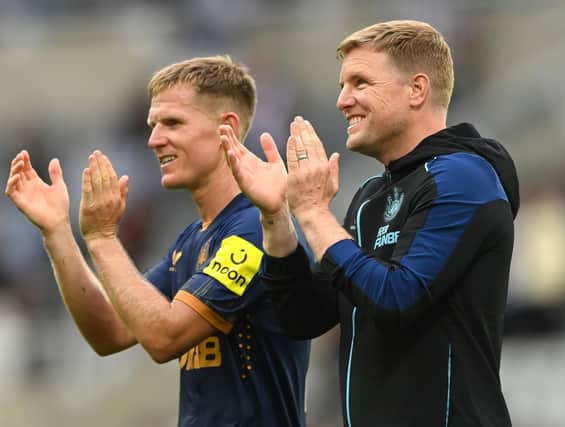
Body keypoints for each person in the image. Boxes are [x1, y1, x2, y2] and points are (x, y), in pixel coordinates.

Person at [220, 20, 519, 427]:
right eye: (343, 85)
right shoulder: (370, 198)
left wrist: (312, 211)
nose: (343, 100)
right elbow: (303, 317)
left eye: (360, 83)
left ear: (416, 90)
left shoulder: (464, 178)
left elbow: (398, 299)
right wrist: (277, 217)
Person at [5, 55, 310, 427]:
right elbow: (110, 333)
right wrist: (57, 233)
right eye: (152, 125)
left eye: (173, 123)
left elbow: (164, 336)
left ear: (225, 128)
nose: (154, 139)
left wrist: (103, 239)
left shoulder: (255, 230)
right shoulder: (192, 239)